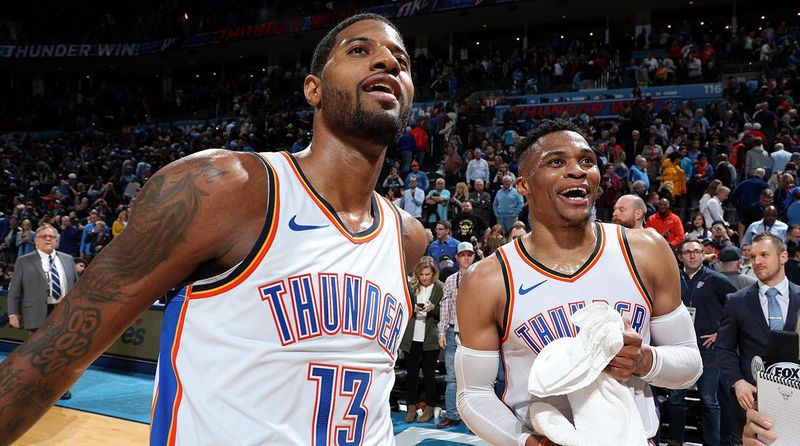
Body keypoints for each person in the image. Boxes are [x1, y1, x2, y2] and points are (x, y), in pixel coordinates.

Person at [0, 14, 429, 445]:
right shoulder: (223, 188)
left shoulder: (407, 238)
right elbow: (52, 354)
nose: (388, 63)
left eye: (402, 61)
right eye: (359, 50)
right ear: (313, 89)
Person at [455, 119, 702, 445]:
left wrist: (645, 360)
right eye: (556, 162)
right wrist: (526, 442)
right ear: (523, 185)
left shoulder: (646, 250)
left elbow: (690, 363)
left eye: (587, 161)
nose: (577, 171)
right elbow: (473, 393)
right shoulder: (488, 278)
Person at [717, 233, 800, 441]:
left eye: (764, 255)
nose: (757, 261)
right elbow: (724, 348)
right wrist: (737, 381)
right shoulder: (736, 301)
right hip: (754, 402)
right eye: (753, 257)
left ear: (783, 256)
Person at [667, 238, 737, 446]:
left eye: (697, 251)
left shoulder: (716, 279)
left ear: (703, 255)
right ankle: (675, 441)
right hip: (679, 347)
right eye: (687, 252)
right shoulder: (672, 278)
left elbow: (737, 306)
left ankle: (712, 443)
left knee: (709, 400)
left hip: (708, 349)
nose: (692, 255)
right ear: (680, 256)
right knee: (675, 398)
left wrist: (720, 333)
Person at [436, 241, 477, 429]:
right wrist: (441, 332)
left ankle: (474, 419)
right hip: (454, 331)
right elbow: (445, 306)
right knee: (452, 376)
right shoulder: (451, 280)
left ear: (473, 256)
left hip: (474, 332)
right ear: (457, 257)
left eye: (469, 255)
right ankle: (452, 414)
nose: (466, 258)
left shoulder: (481, 278)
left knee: (474, 378)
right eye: (463, 255)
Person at [401, 256, 443, 423]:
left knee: (429, 375)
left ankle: (430, 407)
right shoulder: (411, 286)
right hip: (411, 338)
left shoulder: (440, 288)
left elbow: (446, 313)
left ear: (434, 274)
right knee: (411, 374)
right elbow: (402, 307)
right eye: (421, 275)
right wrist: (412, 309)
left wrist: (433, 308)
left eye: (427, 274)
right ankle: (411, 407)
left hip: (430, 338)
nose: (424, 278)